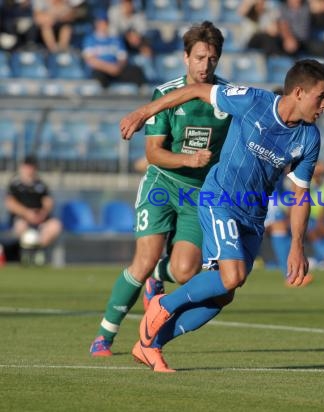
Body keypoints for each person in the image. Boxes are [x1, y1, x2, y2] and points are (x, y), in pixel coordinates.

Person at [120, 58, 324, 372]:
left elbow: (301, 195)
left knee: (224, 294)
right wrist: (143, 112)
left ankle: (149, 345)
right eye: (321, 96)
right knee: (231, 276)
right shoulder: (252, 101)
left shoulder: (309, 138)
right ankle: (162, 304)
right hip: (218, 199)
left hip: (253, 216)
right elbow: (195, 90)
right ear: (299, 92)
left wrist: (297, 246)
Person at [89, 21, 232, 358]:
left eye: (211, 59)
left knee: (184, 271)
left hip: (199, 195)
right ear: (185, 57)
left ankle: (160, 273)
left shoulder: (226, 97)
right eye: (199, 57)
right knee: (143, 259)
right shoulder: (165, 94)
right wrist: (190, 160)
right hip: (163, 185)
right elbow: (153, 153)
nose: (205, 65)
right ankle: (104, 336)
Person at [4, 155, 62, 264]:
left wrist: (42, 214)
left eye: (32, 167)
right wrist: (27, 213)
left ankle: (37, 251)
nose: (29, 170)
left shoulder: (40, 185)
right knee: (21, 226)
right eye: (27, 166)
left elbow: (48, 202)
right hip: (22, 218)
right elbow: (10, 203)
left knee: (55, 225)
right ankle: (26, 253)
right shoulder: (15, 184)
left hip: (40, 218)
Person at [81, 9, 145, 89]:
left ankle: (141, 95)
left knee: (136, 71)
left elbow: (123, 58)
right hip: (101, 70)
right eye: (101, 22)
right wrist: (109, 68)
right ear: (96, 23)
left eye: (105, 22)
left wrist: (117, 67)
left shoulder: (115, 39)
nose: (103, 25)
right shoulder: (90, 39)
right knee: (99, 76)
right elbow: (90, 60)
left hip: (117, 69)